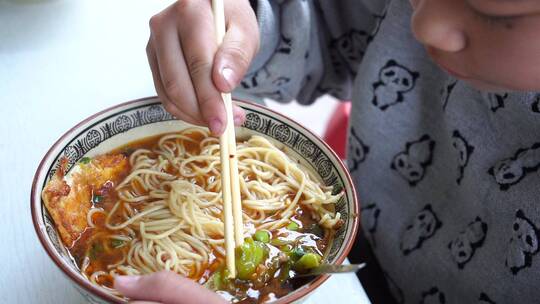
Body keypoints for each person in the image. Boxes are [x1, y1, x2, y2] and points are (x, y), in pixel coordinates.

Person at [115, 0, 540, 303]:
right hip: (345, 246)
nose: (424, 23)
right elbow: (327, 27)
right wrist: (242, 25)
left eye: (494, 13)